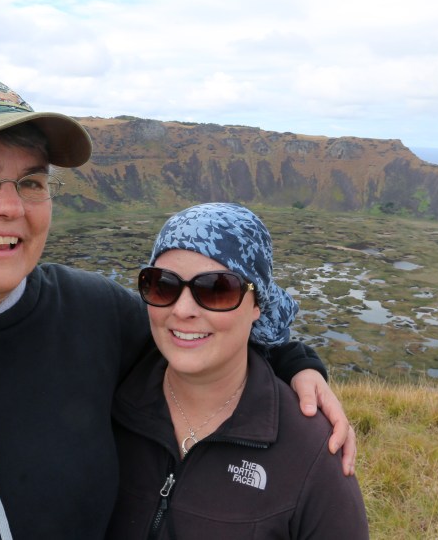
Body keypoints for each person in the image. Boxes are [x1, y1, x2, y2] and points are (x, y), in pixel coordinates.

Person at [0, 79, 354, 539]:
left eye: (31, 181)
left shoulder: (91, 315)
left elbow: (199, 329)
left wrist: (294, 363)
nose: (9, 206)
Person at [107, 203, 369, 539]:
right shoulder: (109, 401)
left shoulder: (311, 451)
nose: (183, 310)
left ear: (258, 304)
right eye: (163, 285)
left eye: (217, 289)